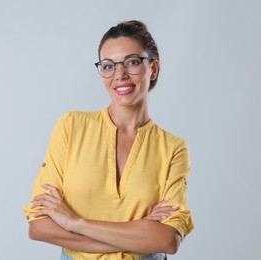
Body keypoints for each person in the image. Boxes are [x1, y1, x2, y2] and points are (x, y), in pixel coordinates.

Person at [23, 20, 194, 260]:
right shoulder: (71, 126)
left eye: (132, 62)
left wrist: (76, 222)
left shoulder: (173, 148)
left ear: (153, 68)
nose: (120, 75)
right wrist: (138, 235)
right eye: (108, 66)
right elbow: (39, 226)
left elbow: (167, 240)